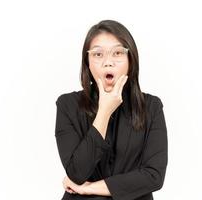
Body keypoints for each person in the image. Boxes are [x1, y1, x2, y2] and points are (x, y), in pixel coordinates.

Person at [54, 20, 168, 200]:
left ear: (131, 59)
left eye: (117, 53)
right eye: (98, 54)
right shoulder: (67, 104)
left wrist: (90, 188)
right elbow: (77, 173)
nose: (108, 62)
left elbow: (154, 176)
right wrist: (104, 113)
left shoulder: (151, 106)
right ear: (87, 62)